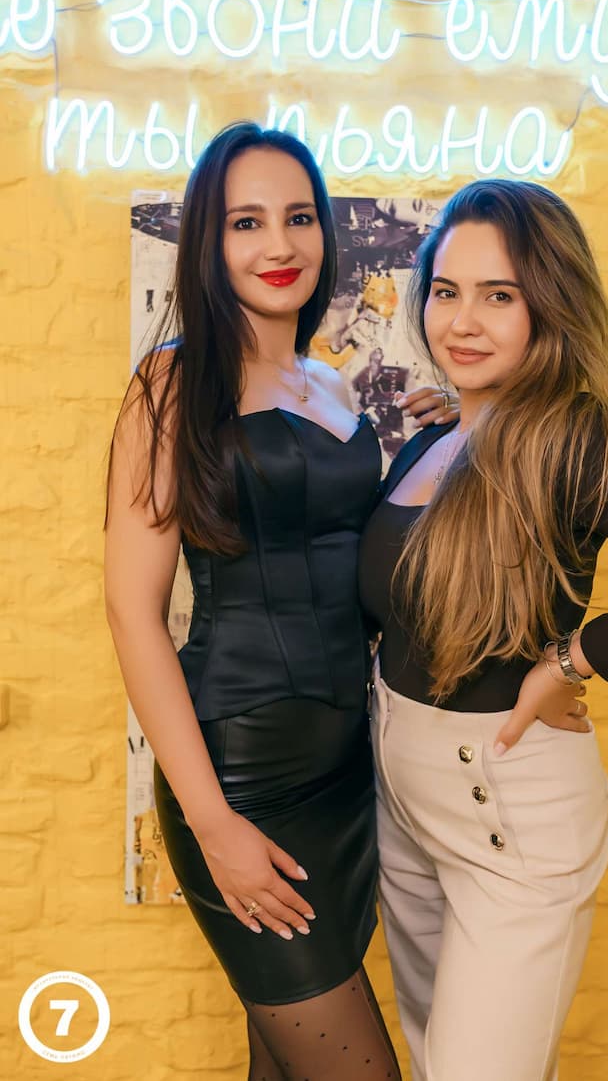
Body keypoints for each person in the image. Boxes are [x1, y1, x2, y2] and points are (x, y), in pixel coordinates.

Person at [357, 178, 608, 1081]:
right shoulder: (436, 437)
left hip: (507, 804)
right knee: (434, 1057)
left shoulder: (577, 437)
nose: (463, 321)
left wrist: (575, 659)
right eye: (446, 291)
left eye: (499, 295)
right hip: (402, 797)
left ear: (551, 303)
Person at [104, 120, 456, 1081]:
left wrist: (458, 433)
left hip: (351, 772)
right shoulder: (172, 382)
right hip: (244, 776)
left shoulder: (331, 384)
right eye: (245, 221)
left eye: (299, 218)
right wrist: (212, 823)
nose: (279, 244)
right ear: (208, 244)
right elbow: (133, 613)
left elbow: (362, 562)